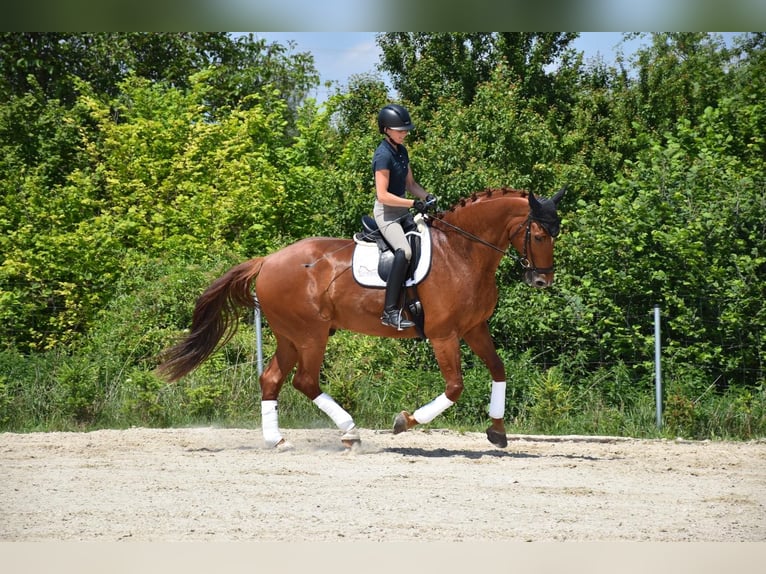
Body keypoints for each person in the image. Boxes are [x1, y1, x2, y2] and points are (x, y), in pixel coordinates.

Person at [372, 104, 436, 330]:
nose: (404, 133)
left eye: (406, 129)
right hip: (387, 215)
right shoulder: (382, 155)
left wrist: (427, 196)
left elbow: (410, 184)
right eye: (400, 129)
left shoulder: (402, 151)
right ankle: (389, 311)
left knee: (431, 237)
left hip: (402, 211)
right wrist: (413, 203)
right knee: (405, 251)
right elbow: (382, 195)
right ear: (386, 129)